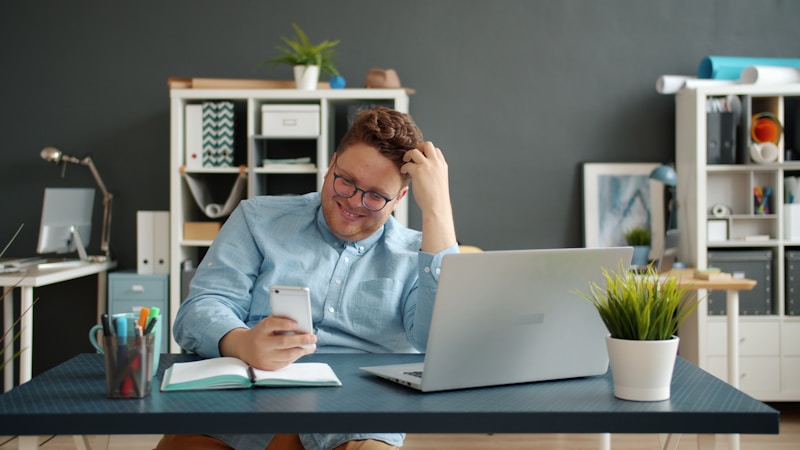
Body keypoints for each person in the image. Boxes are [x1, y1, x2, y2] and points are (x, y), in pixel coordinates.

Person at [156, 106, 458, 450]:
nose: (354, 203)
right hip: (244, 411)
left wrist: (438, 210)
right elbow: (200, 308)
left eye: (375, 196)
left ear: (400, 197)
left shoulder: (417, 255)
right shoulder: (258, 219)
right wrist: (241, 342)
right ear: (331, 165)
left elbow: (439, 344)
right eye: (346, 182)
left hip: (359, 422)